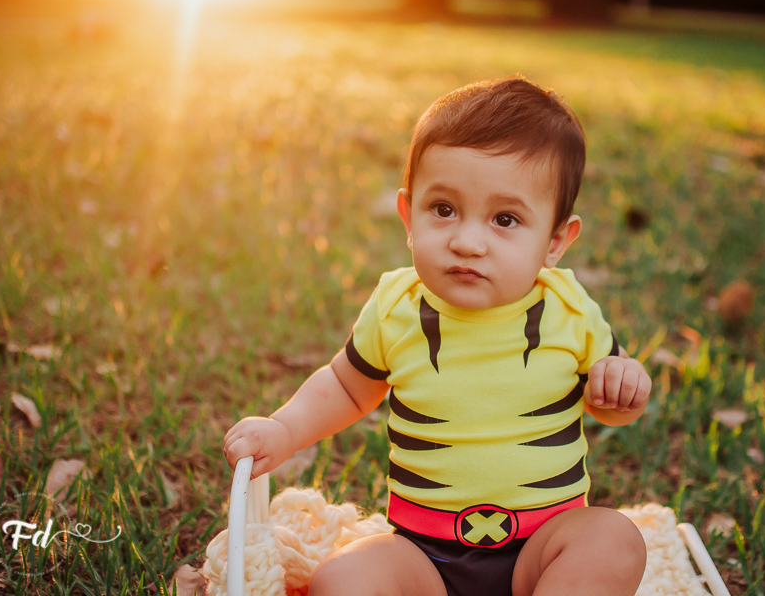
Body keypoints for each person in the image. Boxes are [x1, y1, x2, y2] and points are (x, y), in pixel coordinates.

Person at [224, 76, 652, 596]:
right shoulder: (397, 308)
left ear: (555, 241)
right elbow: (344, 386)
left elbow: (612, 404)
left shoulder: (569, 309)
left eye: (505, 219)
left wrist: (623, 388)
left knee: (614, 539)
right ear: (408, 216)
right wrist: (284, 431)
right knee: (343, 578)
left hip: (541, 551)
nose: (467, 241)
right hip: (423, 557)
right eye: (444, 210)